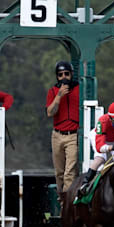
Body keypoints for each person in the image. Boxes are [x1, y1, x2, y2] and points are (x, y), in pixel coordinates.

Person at [75, 100, 114, 198]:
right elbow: (100, 147)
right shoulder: (102, 121)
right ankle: (85, 183)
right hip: (101, 139)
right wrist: (112, 148)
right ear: (110, 118)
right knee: (100, 158)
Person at [46, 60, 80, 203]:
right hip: (57, 135)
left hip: (73, 135)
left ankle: (68, 204)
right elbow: (50, 112)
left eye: (67, 74)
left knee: (69, 173)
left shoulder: (79, 89)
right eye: (60, 75)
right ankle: (61, 201)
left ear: (71, 74)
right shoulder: (53, 91)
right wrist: (59, 96)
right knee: (59, 173)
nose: (64, 77)